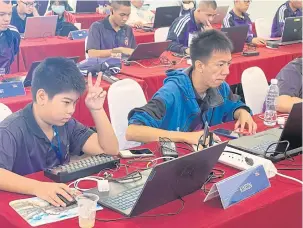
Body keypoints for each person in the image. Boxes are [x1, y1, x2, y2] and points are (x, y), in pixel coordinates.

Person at [0, 57, 119, 207]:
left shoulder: (66, 124)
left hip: (60, 199)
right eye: (66, 102)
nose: (71, 110)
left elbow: (109, 150)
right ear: (42, 97)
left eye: (75, 103)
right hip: (22, 203)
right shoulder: (11, 130)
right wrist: (38, 187)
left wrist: (97, 109)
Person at [126, 30, 257, 145]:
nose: (226, 71)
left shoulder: (220, 87)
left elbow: (233, 106)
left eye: (228, 63)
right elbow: (133, 131)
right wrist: (186, 137)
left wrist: (242, 112)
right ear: (200, 66)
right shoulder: (171, 92)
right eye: (220, 64)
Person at [0, 0, 20, 74]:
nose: (7, 19)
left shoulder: (14, 33)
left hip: (5, 79)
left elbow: (13, 54)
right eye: (1, 14)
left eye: (9, 14)